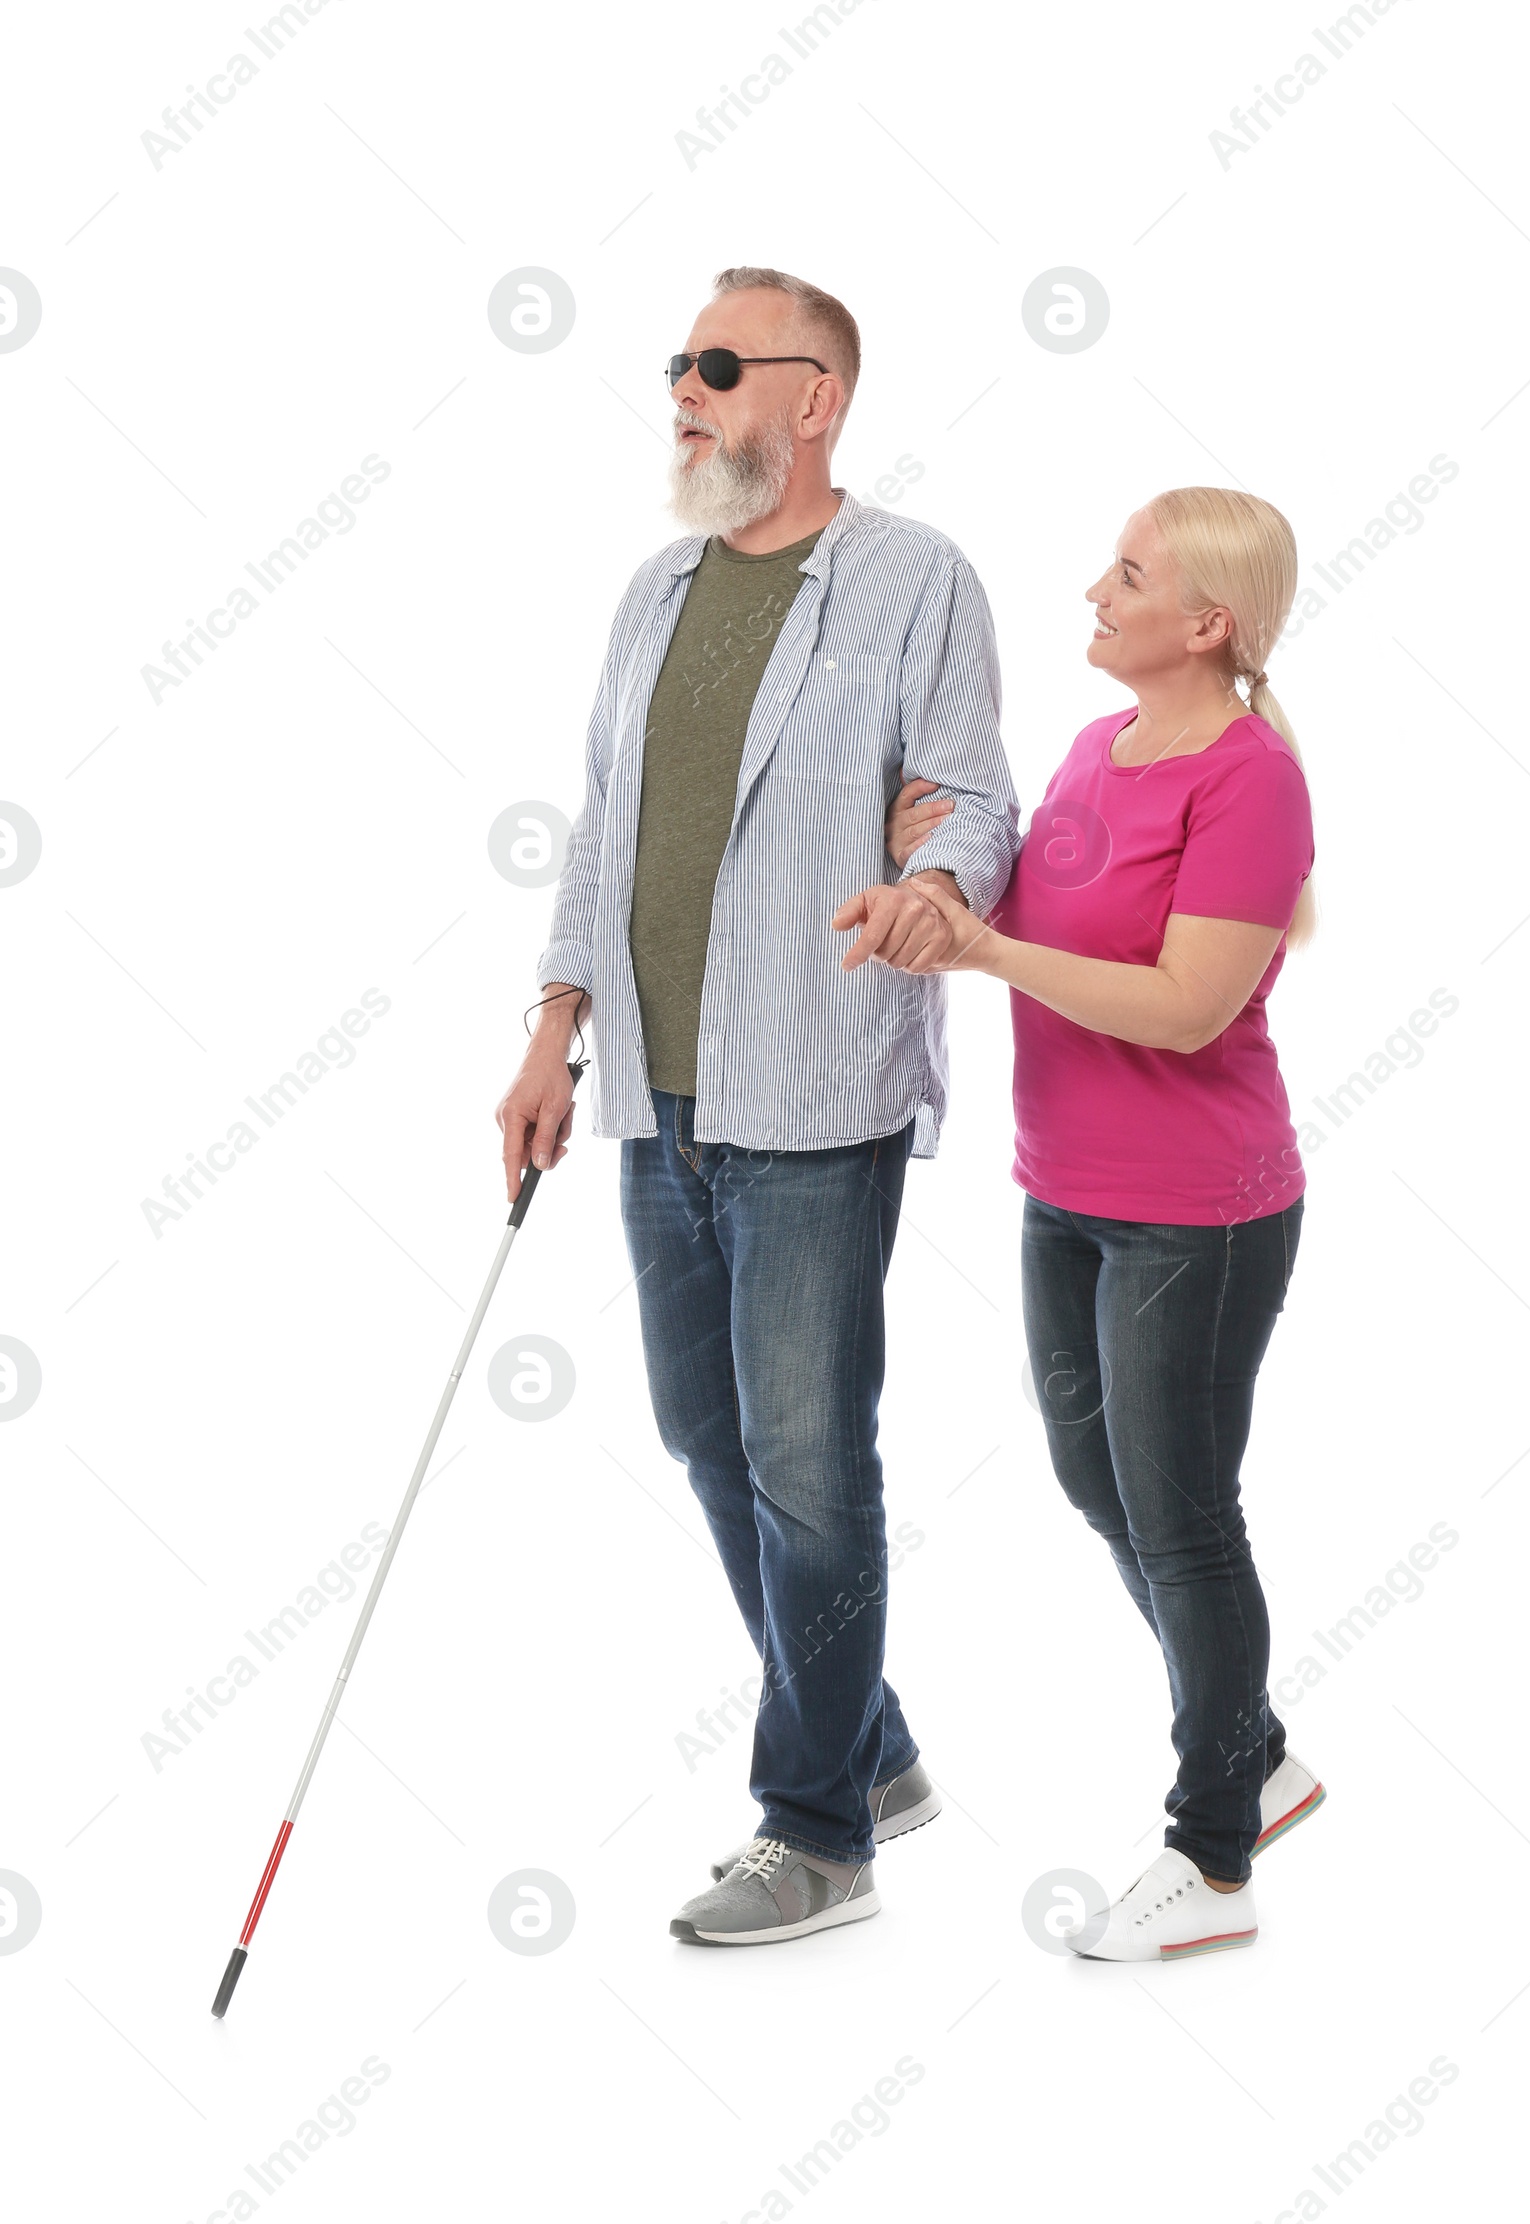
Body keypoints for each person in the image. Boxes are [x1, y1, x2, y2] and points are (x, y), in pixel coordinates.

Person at [495, 266, 1020, 1946]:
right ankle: (869, 1750)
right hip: (652, 1085)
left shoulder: (914, 579)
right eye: (680, 363)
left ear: (818, 399)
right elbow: (602, 817)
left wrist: (935, 885)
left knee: (808, 1462)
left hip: (812, 1084)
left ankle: (816, 1834)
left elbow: (966, 790)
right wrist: (549, 1028)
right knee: (705, 1437)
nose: (686, 391)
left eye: (720, 366)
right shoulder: (656, 591)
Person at [866, 486, 1323, 1962]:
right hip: (1064, 1190)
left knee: (1186, 1517)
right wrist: (926, 854)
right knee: (1096, 1478)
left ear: (1206, 624)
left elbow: (1191, 1009)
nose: (1092, 591)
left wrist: (986, 950)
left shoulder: (1250, 781)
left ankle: (1215, 1858)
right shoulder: (1093, 748)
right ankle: (1255, 1744)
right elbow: (1040, 909)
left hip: (1201, 1212)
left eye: (1127, 577)